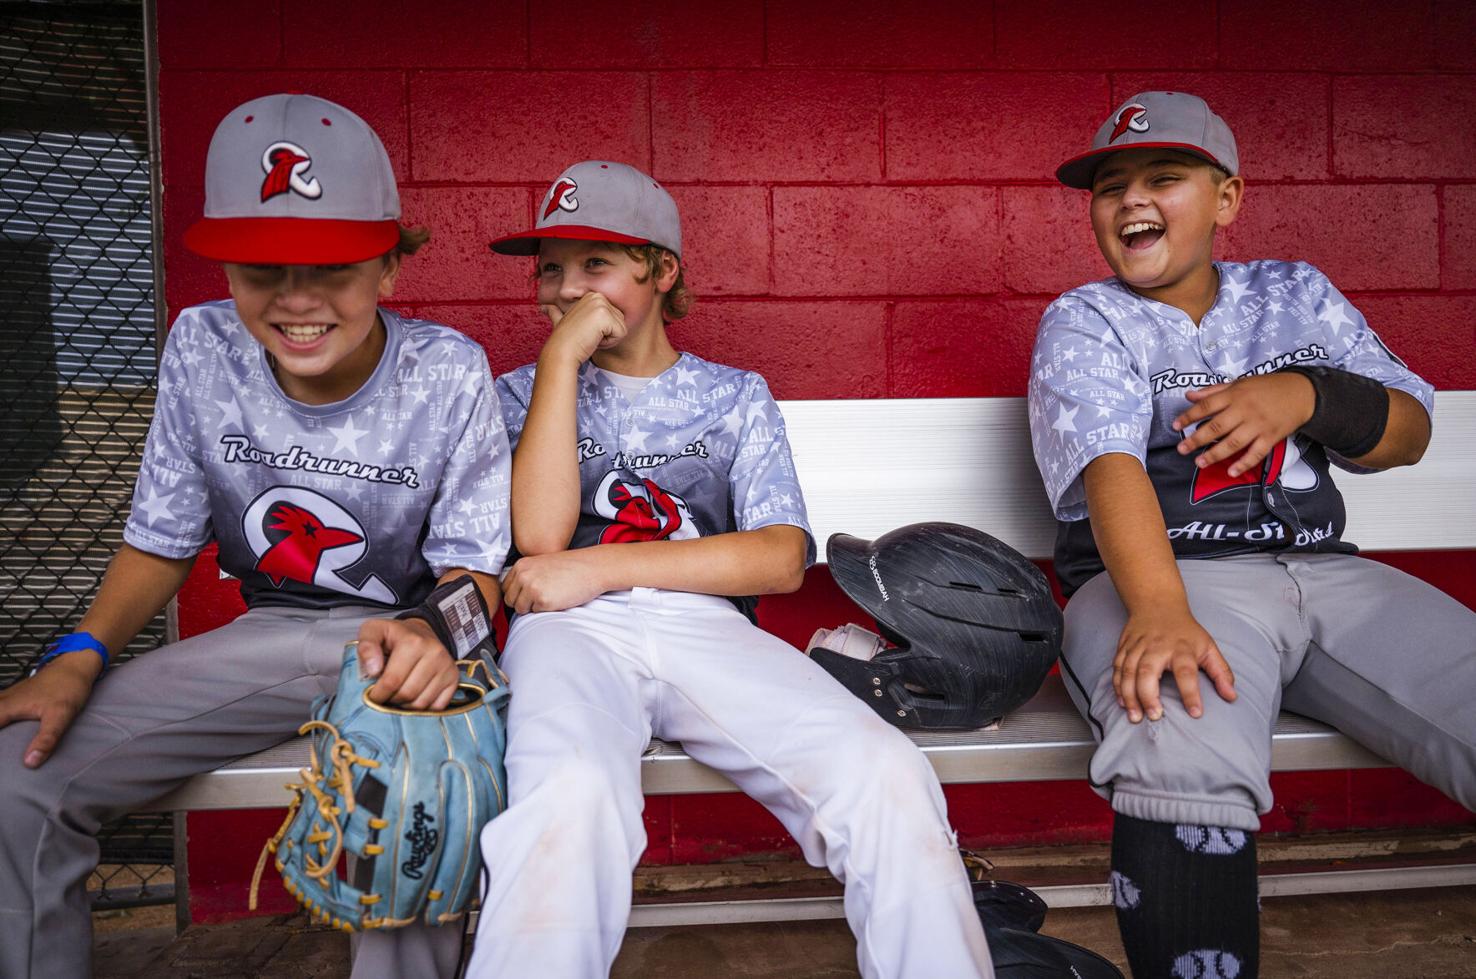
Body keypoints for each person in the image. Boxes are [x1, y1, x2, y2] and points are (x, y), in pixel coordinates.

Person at [0, 93, 511, 978]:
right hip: (267, 638)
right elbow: (161, 538)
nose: (297, 298)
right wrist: (80, 649)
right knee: (18, 774)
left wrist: (434, 631)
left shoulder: (446, 368)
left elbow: (478, 576)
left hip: (408, 639)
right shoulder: (202, 346)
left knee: (413, 776)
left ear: (389, 266)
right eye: (261, 267)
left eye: (333, 266)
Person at [465, 160, 994, 978]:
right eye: (550, 268)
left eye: (594, 264)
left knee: (886, 772)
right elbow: (538, 538)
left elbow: (782, 555)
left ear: (662, 269)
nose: (565, 288)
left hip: (702, 625)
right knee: (567, 797)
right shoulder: (516, 393)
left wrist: (602, 568)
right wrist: (559, 363)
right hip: (568, 636)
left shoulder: (733, 395)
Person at [1029, 90, 1476, 977]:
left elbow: (1409, 431)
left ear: (1227, 198)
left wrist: (1310, 393)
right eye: (1109, 186)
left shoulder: (1294, 293)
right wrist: (1156, 607)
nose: (1131, 200)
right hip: (1171, 578)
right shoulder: (1088, 318)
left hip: (1330, 577)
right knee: (1178, 728)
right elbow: (1111, 466)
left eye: (1164, 176)